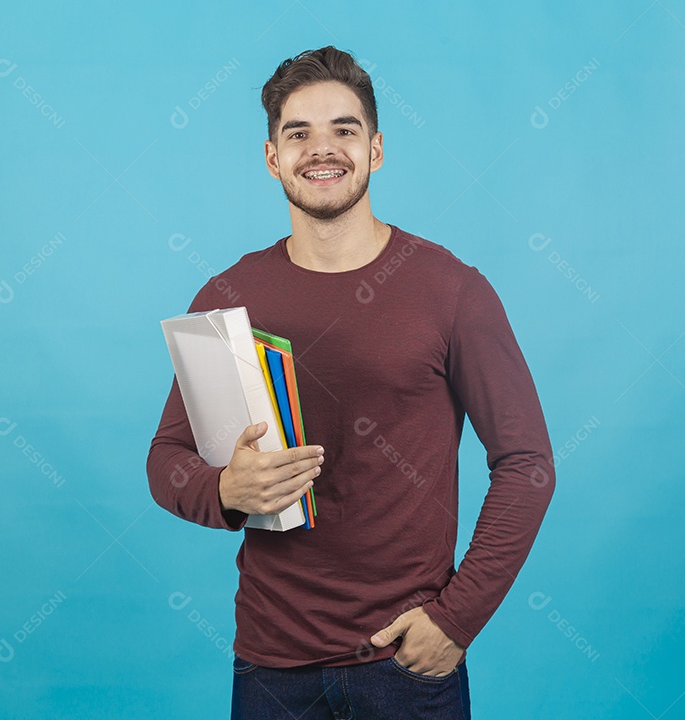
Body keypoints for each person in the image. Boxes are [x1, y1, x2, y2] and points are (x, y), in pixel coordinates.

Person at [146, 45, 556, 720]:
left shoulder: (451, 291)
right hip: (271, 668)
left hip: (406, 667)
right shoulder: (228, 296)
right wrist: (223, 490)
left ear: (376, 150)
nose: (322, 149)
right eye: (298, 133)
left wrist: (457, 619)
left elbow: (527, 464)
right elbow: (166, 458)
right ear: (272, 157)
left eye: (344, 129)